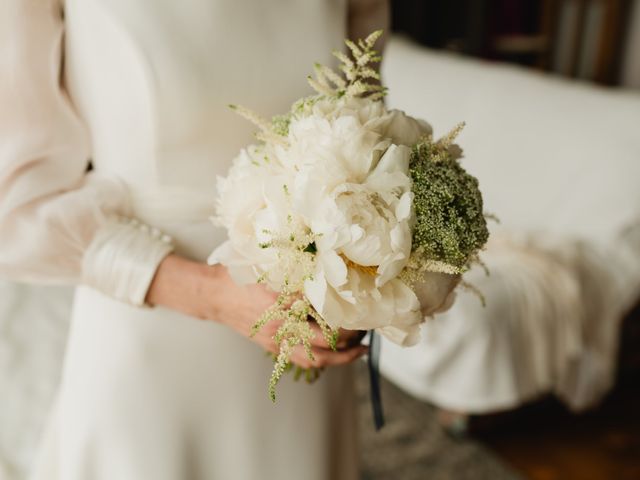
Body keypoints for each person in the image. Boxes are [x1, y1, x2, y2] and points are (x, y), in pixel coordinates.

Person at [0, 1, 389, 478]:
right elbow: (15, 209)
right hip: (150, 336)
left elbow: (364, 128)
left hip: (305, 331)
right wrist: (215, 296)